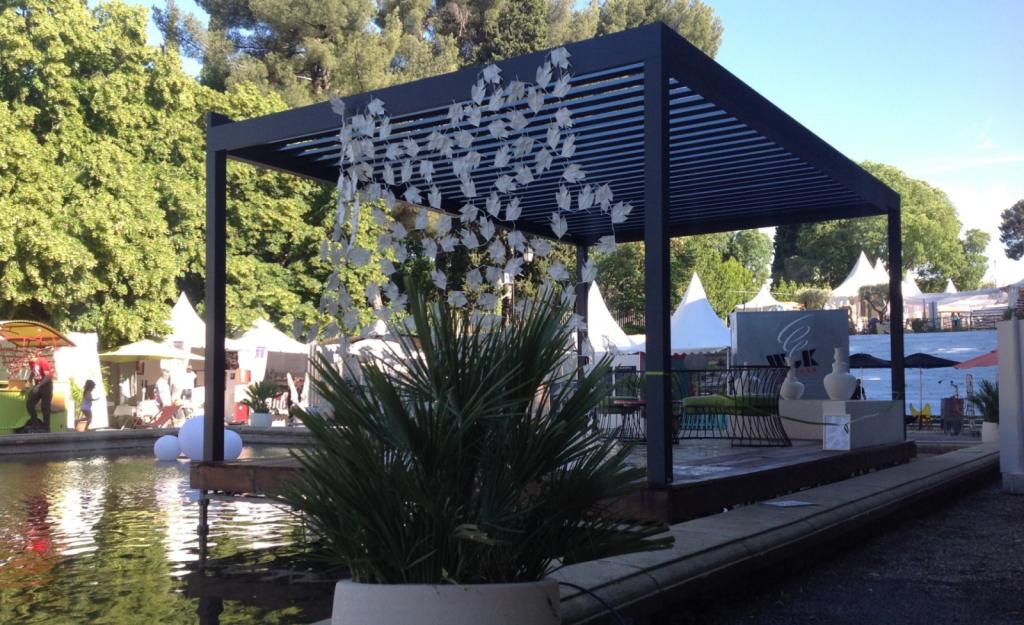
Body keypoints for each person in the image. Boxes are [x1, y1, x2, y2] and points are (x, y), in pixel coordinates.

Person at [18, 356, 54, 433]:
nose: (27, 360)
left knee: (45, 407)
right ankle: (35, 424)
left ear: (34, 355)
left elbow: (48, 376)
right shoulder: (31, 363)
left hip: (46, 385)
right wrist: (27, 385)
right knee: (30, 403)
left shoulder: (42, 361)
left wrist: (38, 386)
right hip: (38, 386)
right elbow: (32, 373)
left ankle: (46, 427)